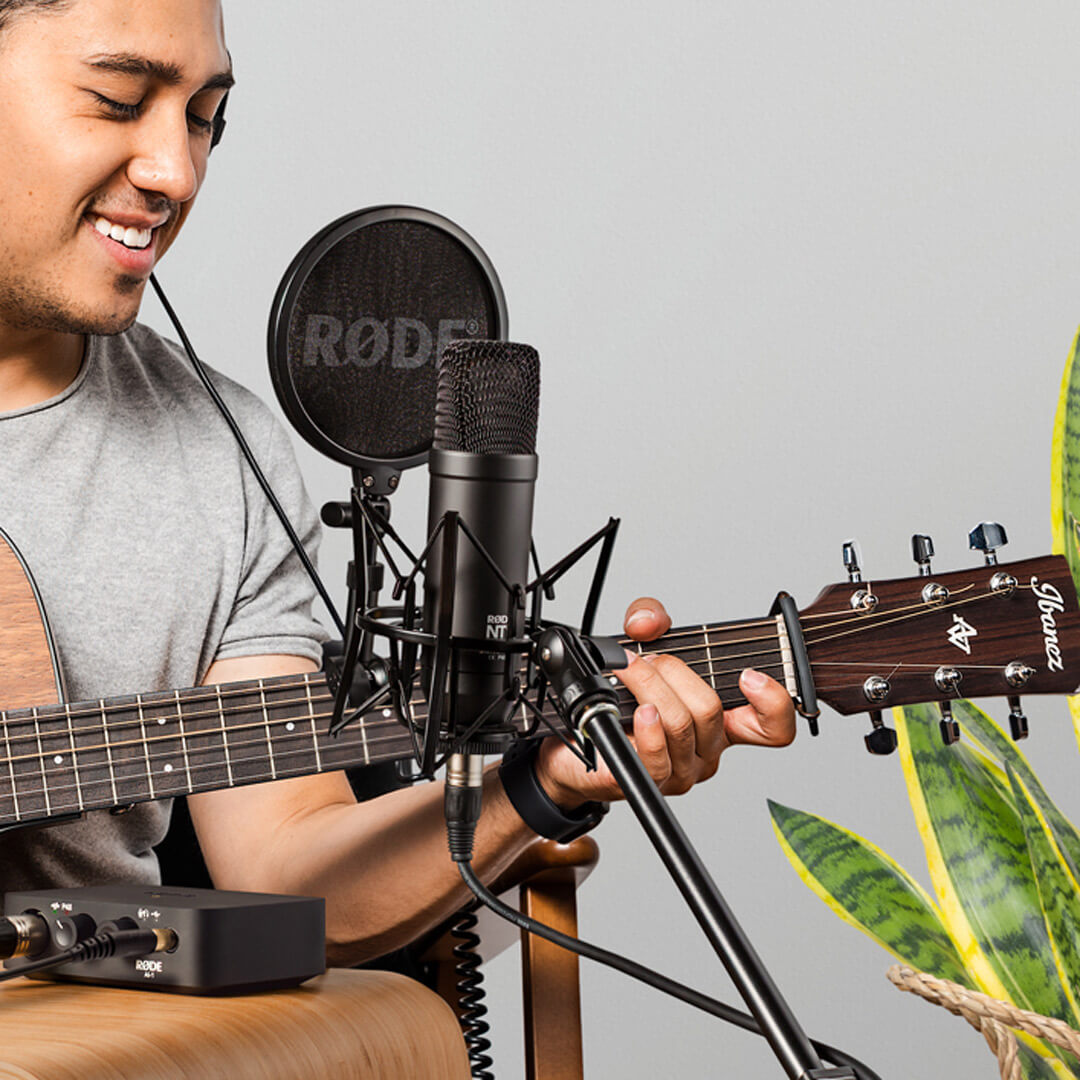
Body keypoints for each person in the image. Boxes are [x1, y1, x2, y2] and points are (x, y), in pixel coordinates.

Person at [0, 0, 796, 964]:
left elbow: (294, 875)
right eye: (119, 100)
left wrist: (542, 780)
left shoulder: (215, 458)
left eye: (206, 117)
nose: (174, 171)